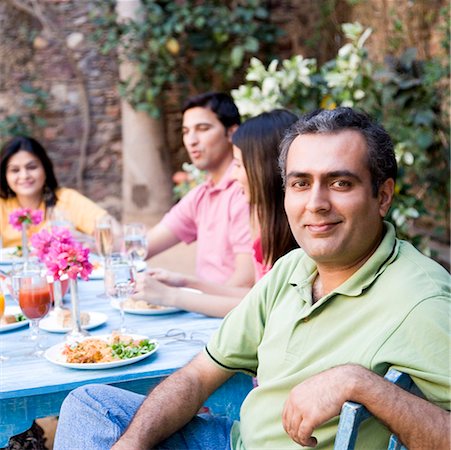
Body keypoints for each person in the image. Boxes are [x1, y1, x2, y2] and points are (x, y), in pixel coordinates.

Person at [54, 107, 450, 450]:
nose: (316, 203)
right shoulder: (293, 268)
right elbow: (199, 374)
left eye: (340, 183)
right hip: (235, 441)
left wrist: (363, 384)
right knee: (89, 405)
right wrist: (133, 442)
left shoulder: (420, 300)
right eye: (300, 183)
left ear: (382, 196)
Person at [133, 109, 299, 317]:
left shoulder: (298, 231)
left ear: (263, 168)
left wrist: (171, 296)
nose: (235, 175)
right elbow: (255, 296)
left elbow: (262, 308)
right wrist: (185, 282)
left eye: (238, 165)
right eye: (186, 131)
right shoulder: (262, 216)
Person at [144, 92, 255, 288]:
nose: (191, 140)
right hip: (204, 306)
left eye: (203, 129)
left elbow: (246, 281)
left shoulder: (244, 191)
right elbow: (143, 245)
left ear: (232, 133)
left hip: (228, 312)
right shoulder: (202, 194)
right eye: (186, 131)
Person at [0, 135, 111, 248]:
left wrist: (86, 242)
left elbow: (114, 233)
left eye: (32, 167)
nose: (24, 176)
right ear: (5, 175)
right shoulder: (2, 205)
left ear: (45, 169)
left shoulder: (66, 199)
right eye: (15, 170)